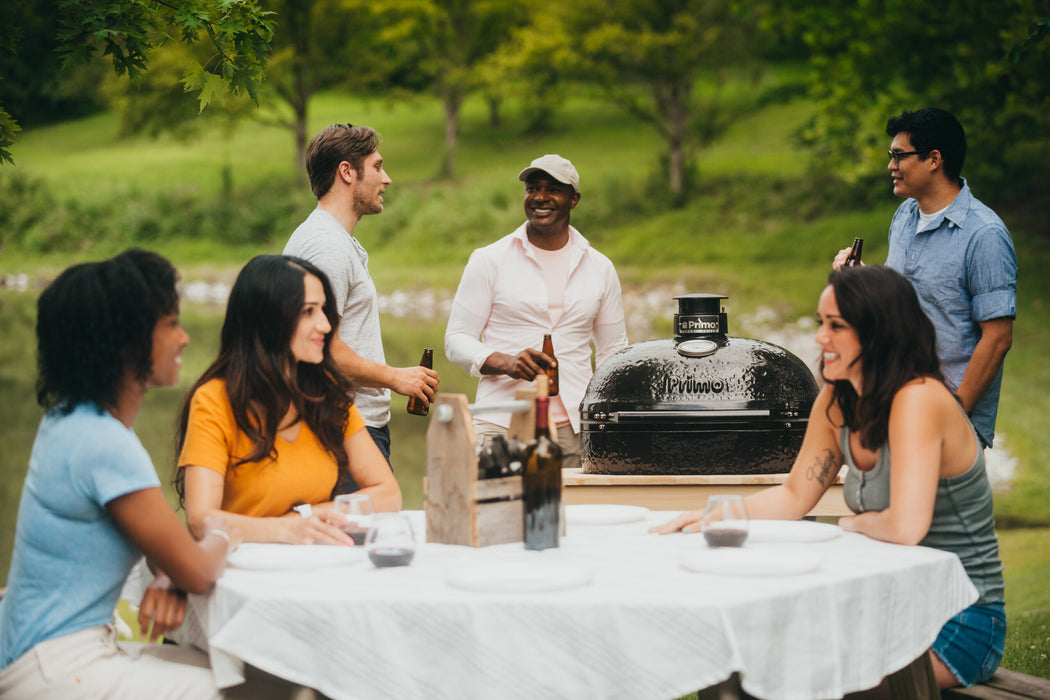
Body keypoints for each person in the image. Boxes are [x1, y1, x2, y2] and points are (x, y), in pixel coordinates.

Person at [657, 265, 1006, 691]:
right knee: (737, 657)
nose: (821, 338)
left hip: (958, 619)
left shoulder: (918, 400)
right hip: (888, 608)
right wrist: (714, 515)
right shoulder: (837, 401)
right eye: (822, 323)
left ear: (878, 332)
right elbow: (793, 496)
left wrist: (851, 523)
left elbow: (905, 527)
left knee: (798, 680)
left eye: (836, 326)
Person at [0, 249, 237, 698]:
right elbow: (201, 572)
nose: (185, 338)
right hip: (53, 666)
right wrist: (225, 529)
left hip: (38, 652)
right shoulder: (102, 443)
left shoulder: (71, 422)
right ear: (128, 342)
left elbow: (170, 552)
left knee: (238, 671)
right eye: (170, 324)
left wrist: (171, 575)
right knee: (242, 689)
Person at [175, 255, 401, 545]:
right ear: (268, 320)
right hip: (244, 571)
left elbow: (388, 492)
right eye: (308, 311)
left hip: (314, 565)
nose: (325, 325)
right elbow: (201, 519)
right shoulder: (214, 400)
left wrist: (311, 518)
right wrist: (286, 530)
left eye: (323, 310)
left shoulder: (327, 394)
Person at [834, 107, 1016, 448]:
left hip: (950, 421)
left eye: (899, 156)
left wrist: (955, 414)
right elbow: (897, 304)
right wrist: (860, 281)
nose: (891, 166)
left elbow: (998, 339)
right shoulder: (904, 215)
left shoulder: (985, 234)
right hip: (897, 404)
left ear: (934, 159)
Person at [444, 154, 629, 469]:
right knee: (499, 513)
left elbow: (614, 353)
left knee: (575, 516)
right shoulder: (489, 259)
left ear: (574, 199)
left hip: (575, 426)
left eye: (553, 189)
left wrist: (603, 420)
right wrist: (507, 362)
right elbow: (456, 339)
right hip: (502, 422)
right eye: (533, 188)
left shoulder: (600, 267)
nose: (540, 197)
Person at [284, 123, 439, 466]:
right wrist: (397, 377)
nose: (387, 180)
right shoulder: (327, 248)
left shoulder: (331, 239)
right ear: (347, 172)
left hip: (348, 426)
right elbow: (321, 349)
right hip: (340, 428)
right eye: (378, 167)